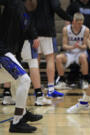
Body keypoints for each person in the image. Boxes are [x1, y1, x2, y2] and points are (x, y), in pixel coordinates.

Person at [0, 0, 42, 133]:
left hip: (9, 52)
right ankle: (17, 121)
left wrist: (34, 36)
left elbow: (24, 35)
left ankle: (22, 113)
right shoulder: (13, 3)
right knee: (24, 79)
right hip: (1, 51)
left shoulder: (26, 15)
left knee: (19, 81)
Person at [32, 0, 71, 98]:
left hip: (33, 29)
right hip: (46, 29)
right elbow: (56, 7)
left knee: (35, 60)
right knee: (50, 58)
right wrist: (69, 18)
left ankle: (37, 89)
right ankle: (50, 89)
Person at [55, 13, 90, 90]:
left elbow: (85, 46)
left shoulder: (86, 30)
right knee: (58, 58)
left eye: (81, 23)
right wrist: (73, 47)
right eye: (78, 23)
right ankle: (62, 81)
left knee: (83, 57)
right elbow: (64, 45)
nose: (80, 25)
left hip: (81, 52)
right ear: (74, 21)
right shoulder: (66, 29)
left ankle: (85, 80)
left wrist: (80, 46)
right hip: (70, 53)